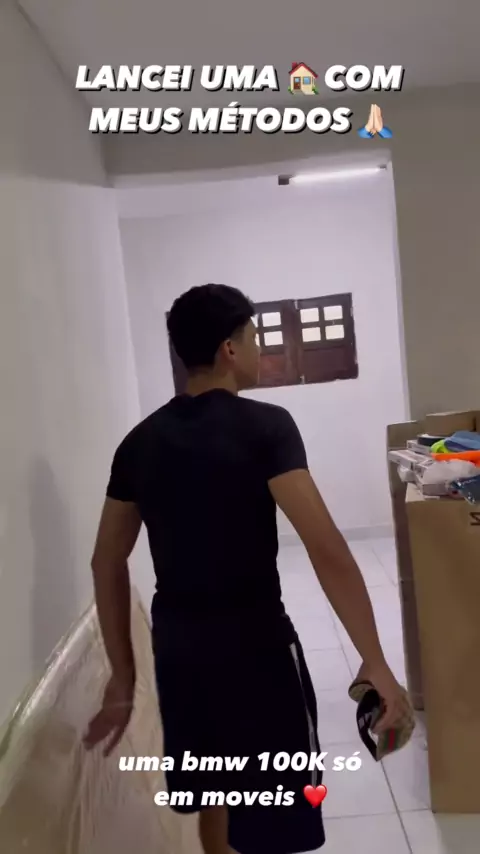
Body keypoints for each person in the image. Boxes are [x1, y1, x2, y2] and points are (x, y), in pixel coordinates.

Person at [84, 284, 409, 854]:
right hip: (256, 648)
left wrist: (123, 676)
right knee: (275, 810)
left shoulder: (138, 444)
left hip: (180, 651)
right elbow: (326, 548)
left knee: (213, 796)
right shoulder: (266, 426)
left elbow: (105, 560)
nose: (260, 349)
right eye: (254, 337)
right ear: (229, 348)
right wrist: (375, 660)